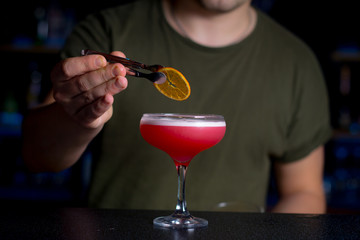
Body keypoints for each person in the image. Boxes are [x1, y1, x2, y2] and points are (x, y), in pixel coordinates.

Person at [22, 0, 332, 213]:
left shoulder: (295, 62)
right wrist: (79, 120)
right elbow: (37, 155)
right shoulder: (110, 31)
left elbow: (304, 193)